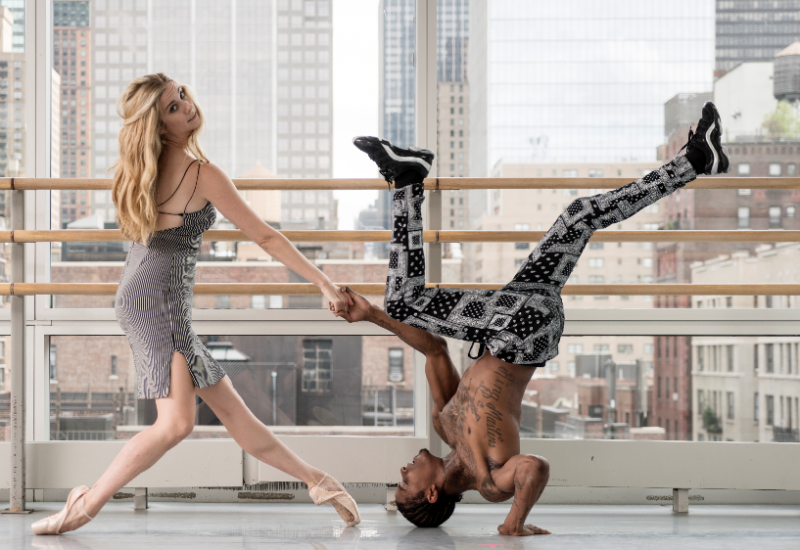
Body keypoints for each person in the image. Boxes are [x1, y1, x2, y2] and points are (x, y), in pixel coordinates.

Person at [345, 102, 729, 534]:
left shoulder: (445, 424)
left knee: (579, 216)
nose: (403, 469)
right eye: (404, 482)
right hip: (522, 335)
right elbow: (536, 468)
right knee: (404, 301)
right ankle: (409, 178)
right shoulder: (489, 481)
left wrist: (372, 317)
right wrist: (513, 522)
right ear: (430, 493)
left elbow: (434, 350)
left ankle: (698, 159)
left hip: (513, 320)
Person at [32, 73, 360, 536]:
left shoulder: (147, 170)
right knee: (176, 424)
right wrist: (325, 283)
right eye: (171, 107)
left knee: (231, 412)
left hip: (146, 294)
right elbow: (264, 236)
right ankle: (84, 505)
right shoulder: (201, 172)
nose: (186, 106)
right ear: (160, 128)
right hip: (160, 302)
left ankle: (320, 483)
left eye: (181, 95)